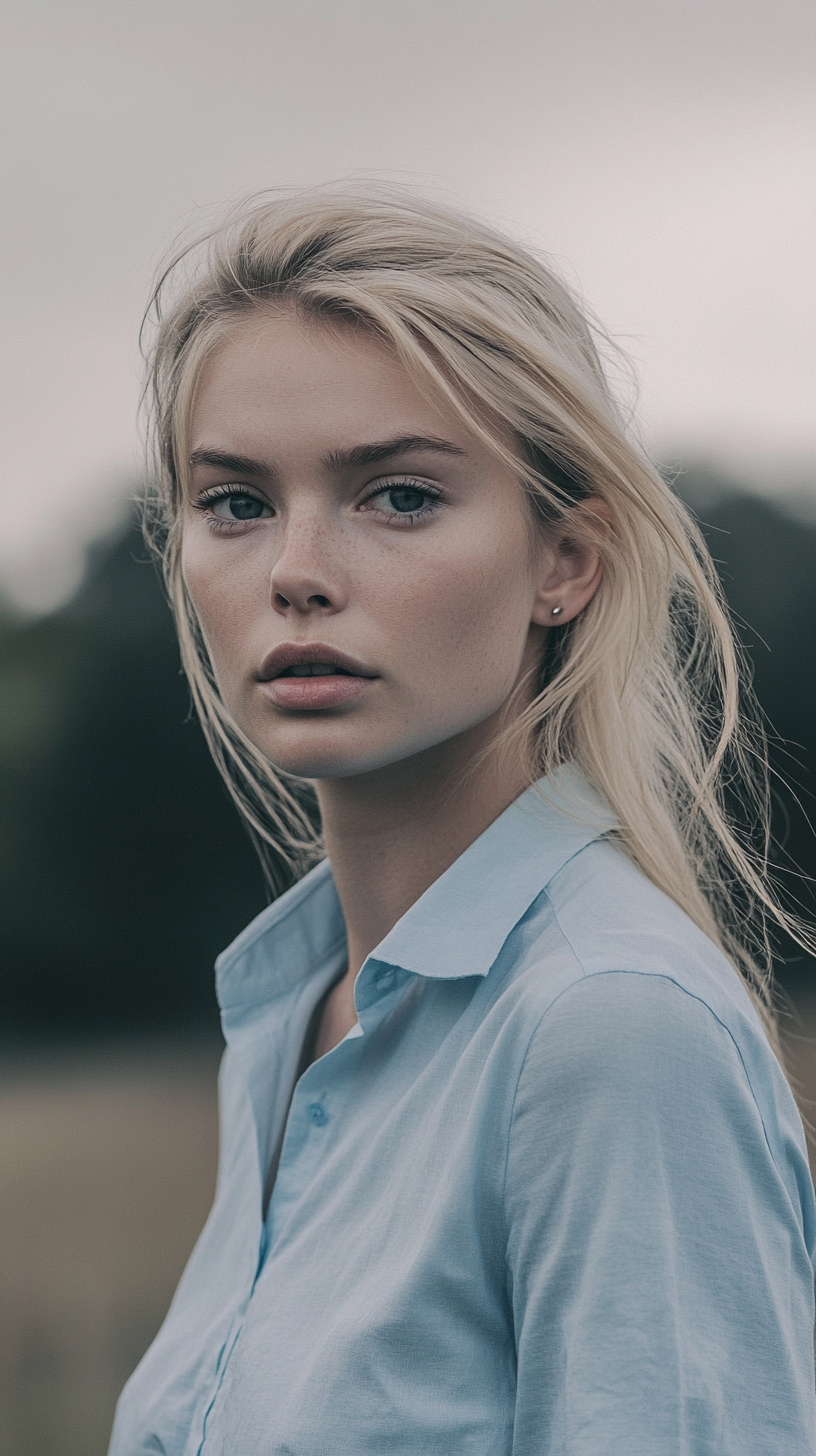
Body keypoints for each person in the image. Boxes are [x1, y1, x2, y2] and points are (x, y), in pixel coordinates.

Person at [110, 188, 816, 1455]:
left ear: (566, 561)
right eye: (236, 503)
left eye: (398, 497)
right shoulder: (290, 1015)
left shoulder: (609, 1028)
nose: (296, 570)